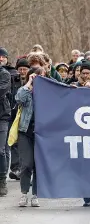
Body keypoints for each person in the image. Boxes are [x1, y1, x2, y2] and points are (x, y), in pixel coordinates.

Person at [16, 67, 47, 207]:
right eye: (37, 76)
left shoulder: (48, 92)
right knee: (26, 164)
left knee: (38, 165)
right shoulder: (27, 91)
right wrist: (29, 82)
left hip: (41, 133)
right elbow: (19, 98)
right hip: (25, 131)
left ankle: (35, 194)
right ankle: (24, 193)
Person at [0, 48, 11, 196]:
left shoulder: (4, 74)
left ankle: (2, 179)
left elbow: (1, 91)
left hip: (1, 116)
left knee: (0, 150)